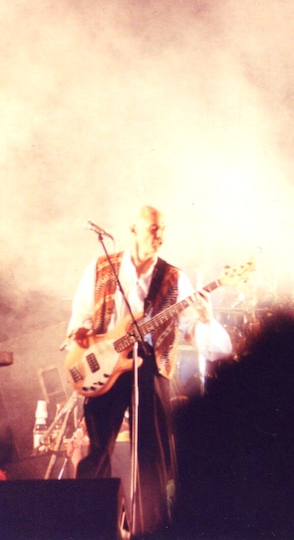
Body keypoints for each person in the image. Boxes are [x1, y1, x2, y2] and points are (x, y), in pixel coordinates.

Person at [65, 205, 232, 536]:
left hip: (151, 364)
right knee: (98, 449)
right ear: (134, 230)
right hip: (105, 366)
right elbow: (81, 316)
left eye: (163, 229)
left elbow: (197, 335)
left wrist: (206, 320)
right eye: (154, 229)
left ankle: (153, 529)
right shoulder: (102, 267)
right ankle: (85, 526)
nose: (160, 236)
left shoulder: (174, 277)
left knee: (153, 457)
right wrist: (80, 335)